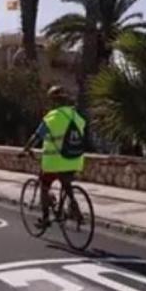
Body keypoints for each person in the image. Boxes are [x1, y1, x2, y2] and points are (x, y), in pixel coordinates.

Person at [20, 85, 87, 227]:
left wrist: (26, 149)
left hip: (55, 161)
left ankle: (45, 218)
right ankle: (76, 212)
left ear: (53, 102)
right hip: (75, 159)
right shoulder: (76, 116)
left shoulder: (52, 117)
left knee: (44, 186)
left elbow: (36, 137)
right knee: (66, 185)